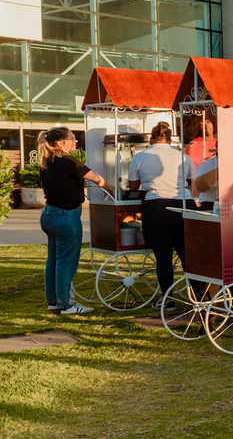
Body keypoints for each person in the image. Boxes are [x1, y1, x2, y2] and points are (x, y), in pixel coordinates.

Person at [38, 128, 111, 314]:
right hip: (65, 216)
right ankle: (67, 305)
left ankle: (54, 301)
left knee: (53, 261)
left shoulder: (47, 162)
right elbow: (98, 180)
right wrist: (114, 192)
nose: (76, 141)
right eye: (72, 138)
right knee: (66, 262)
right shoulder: (68, 161)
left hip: (49, 214)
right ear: (59, 143)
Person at [127, 122, 193, 306]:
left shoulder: (140, 156)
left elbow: (133, 186)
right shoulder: (183, 156)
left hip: (156, 206)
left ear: (151, 138)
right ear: (170, 139)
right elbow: (189, 180)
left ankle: (168, 298)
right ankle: (199, 297)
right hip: (185, 205)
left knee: (163, 256)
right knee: (189, 254)